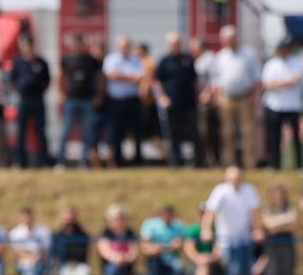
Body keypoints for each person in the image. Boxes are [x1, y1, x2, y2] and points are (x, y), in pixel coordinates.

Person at [201, 164, 262, 275]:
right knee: (233, 272)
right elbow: (210, 213)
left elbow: (254, 213)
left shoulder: (249, 191)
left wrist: (257, 229)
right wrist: (206, 229)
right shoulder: (220, 191)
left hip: (245, 239)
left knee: (247, 271)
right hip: (226, 240)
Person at [203, 26, 260, 169]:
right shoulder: (220, 57)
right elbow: (215, 80)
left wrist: (254, 97)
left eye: (231, 38)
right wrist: (216, 97)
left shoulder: (248, 54)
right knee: (227, 133)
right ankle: (229, 163)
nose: (229, 41)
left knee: (248, 133)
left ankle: (249, 164)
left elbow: (256, 78)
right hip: (226, 98)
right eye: (226, 39)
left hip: (245, 97)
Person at [5, 32, 51, 169]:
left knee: (40, 131)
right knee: (20, 132)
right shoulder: (17, 62)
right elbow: (11, 81)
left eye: (30, 46)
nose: (28, 49)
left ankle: (44, 162)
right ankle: (20, 162)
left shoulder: (41, 62)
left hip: (37, 100)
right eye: (25, 46)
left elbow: (47, 81)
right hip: (23, 100)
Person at [56, 32, 101, 169]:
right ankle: (61, 162)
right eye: (75, 43)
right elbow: (60, 76)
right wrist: (61, 94)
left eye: (80, 43)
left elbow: (100, 78)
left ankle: (84, 162)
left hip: (87, 100)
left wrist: (99, 95)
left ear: (83, 44)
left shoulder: (91, 60)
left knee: (87, 133)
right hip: (71, 100)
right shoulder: (67, 59)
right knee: (65, 132)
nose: (77, 46)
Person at [259, 40, 303, 170]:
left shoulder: (297, 62)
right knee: (274, 137)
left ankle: (299, 165)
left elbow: (295, 81)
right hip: (274, 105)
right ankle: (274, 165)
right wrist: (285, 83)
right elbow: (266, 84)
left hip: (293, 105)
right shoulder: (271, 64)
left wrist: (277, 84)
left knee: (296, 138)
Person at [154, 33, 200, 167]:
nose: (176, 46)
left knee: (193, 133)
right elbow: (157, 81)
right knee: (174, 134)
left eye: (178, 43)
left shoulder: (188, 59)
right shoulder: (164, 60)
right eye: (173, 44)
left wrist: (197, 97)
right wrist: (161, 97)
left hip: (189, 103)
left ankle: (197, 161)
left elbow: (194, 80)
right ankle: (175, 161)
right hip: (172, 104)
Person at [99, 35, 145, 167]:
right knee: (116, 132)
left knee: (136, 132)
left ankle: (138, 160)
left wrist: (121, 76)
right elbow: (111, 75)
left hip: (133, 100)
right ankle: (118, 161)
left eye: (127, 45)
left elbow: (140, 77)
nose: (125, 48)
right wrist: (130, 77)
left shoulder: (135, 60)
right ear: (118, 46)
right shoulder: (111, 59)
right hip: (116, 101)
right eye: (122, 45)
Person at [258, 183, 298, 275]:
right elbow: (268, 225)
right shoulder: (267, 209)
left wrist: (276, 225)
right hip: (272, 247)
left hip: (287, 245)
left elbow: (294, 224)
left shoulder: (290, 207)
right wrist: (285, 221)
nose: (278, 197)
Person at [140, 203, 184, 275]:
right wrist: (161, 248)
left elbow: (179, 244)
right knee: (155, 273)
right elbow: (145, 245)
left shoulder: (179, 226)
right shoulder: (150, 224)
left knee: (178, 270)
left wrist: (162, 248)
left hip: (172, 259)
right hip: (155, 259)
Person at [96, 205, 140, 275]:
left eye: (121, 218)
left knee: (117, 271)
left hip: (127, 266)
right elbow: (104, 250)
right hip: (111, 265)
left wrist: (124, 258)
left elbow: (134, 251)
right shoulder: (105, 234)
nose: (119, 221)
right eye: (116, 219)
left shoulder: (130, 233)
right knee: (117, 272)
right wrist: (117, 258)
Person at [6, 206, 50, 275]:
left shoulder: (43, 231)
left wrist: (37, 258)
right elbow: (18, 253)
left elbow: (45, 251)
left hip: (39, 262)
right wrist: (30, 258)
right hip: (23, 262)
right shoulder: (15, 232)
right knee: (28, 269)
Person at [50, 206, 94, 275]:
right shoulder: (57, 236)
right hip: (64, 266)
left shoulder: (82, 235)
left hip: (79, 266)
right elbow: (57, 254)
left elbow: (81, 254)